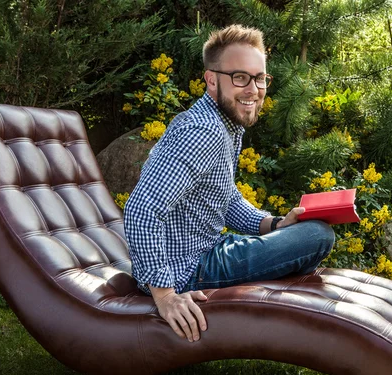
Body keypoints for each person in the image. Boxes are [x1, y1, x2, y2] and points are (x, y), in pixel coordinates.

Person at [124, 24, 334, 343]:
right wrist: (165, 296)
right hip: (187, 271)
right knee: (318, 235)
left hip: (206, 251)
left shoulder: (225, 125)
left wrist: (273, 224)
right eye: (240, 77)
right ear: (211, 80)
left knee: (308, 228)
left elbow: (225, 198)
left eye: (259, 78)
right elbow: (141, 210)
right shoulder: (203, 132)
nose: (253, 89)